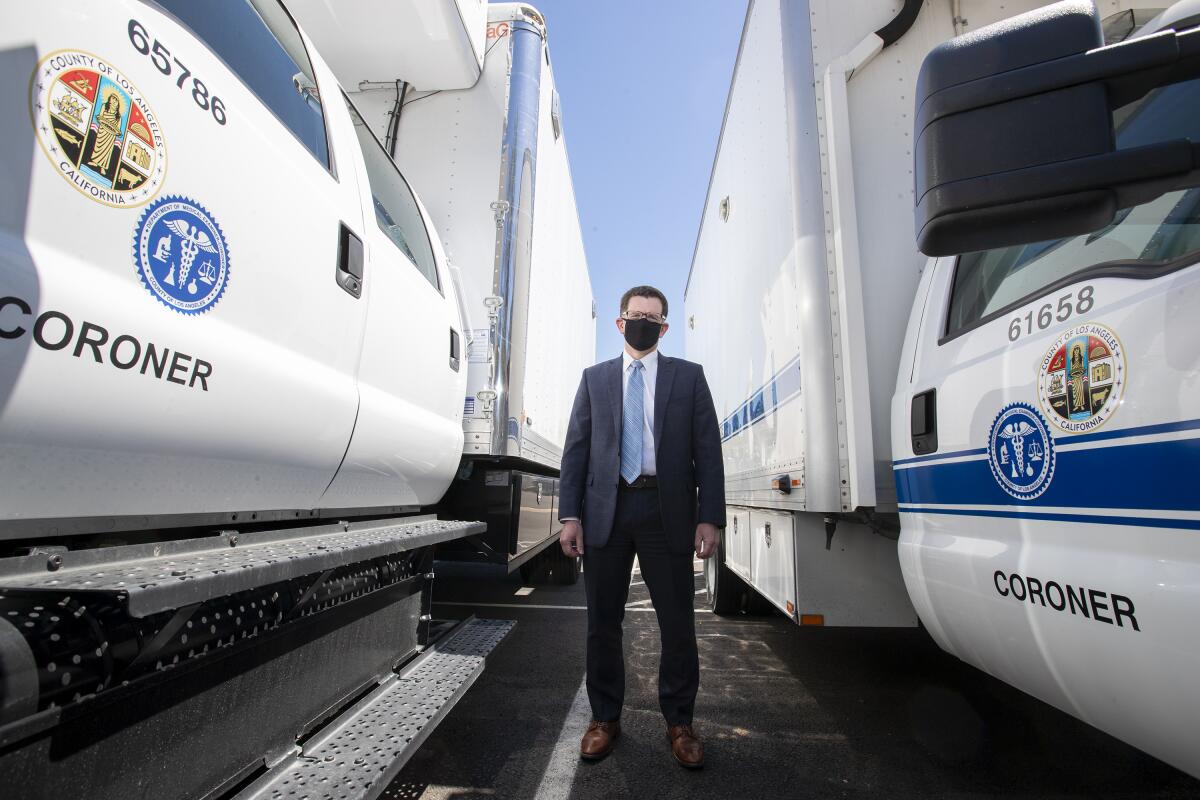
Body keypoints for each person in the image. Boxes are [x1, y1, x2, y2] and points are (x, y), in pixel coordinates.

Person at [558, 285, 725, 769]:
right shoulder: (595, 379)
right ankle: (605, 718)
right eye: (636, 315)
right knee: (602, 625)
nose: (643, 323)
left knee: (677, 625)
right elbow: (576, 451)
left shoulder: (689, 378)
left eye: (653, 318)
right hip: (606, 514)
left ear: (665, 327)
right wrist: (571, 516)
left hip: (666, 512)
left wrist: (708, 516)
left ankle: (680, 723)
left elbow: (708, 453)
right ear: (620, 322)